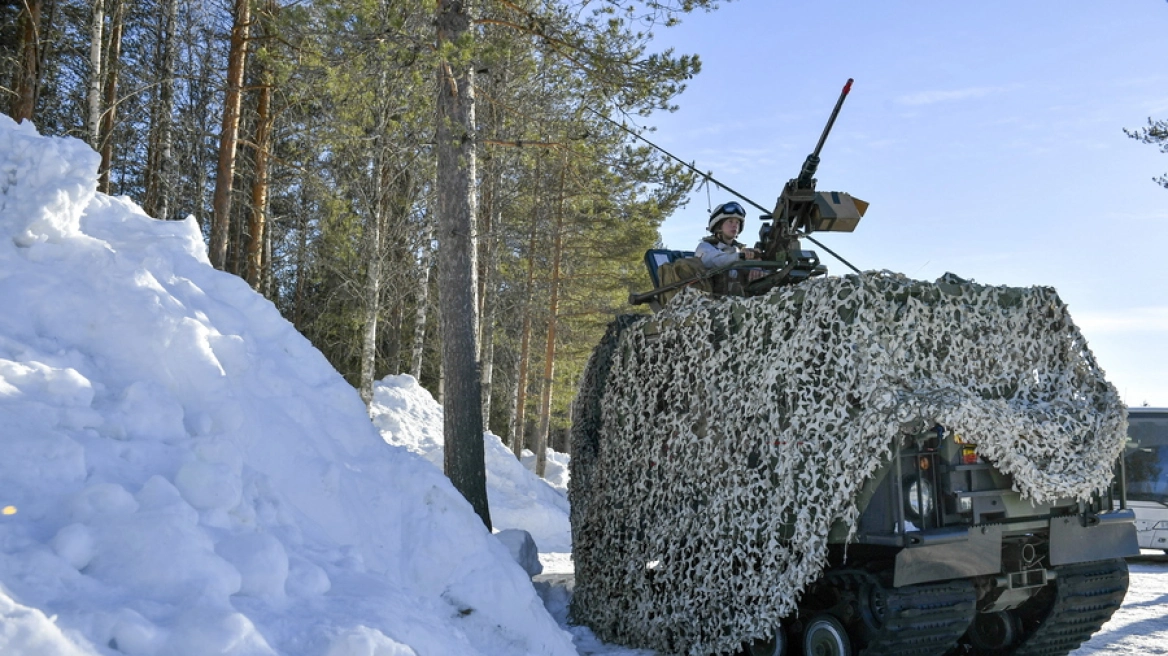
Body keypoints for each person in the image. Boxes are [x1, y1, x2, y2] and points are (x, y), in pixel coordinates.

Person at [695, 201, 760, 294]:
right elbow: (715, 261)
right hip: (711, 303)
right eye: (730, 221)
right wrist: (740, 256)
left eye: (737, 222)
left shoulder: (738, 250)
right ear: (718, 225)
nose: (735, 225)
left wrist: (757, 262)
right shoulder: (704, 247)